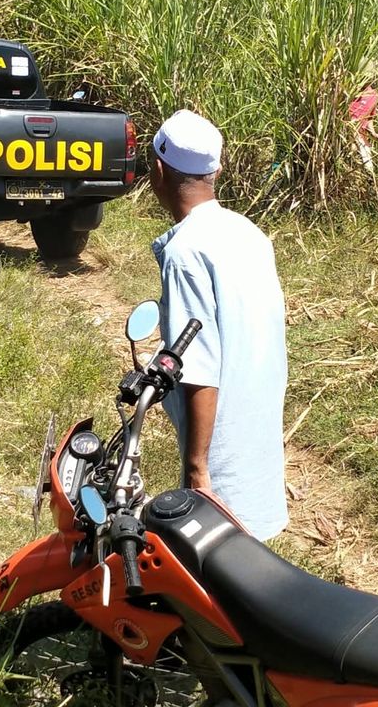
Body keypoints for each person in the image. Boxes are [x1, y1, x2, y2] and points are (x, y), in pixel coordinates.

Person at [149, 109, 288, 541]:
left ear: (158, 172)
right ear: (217, 171)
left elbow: (200, 367)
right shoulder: (248, 233)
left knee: (216, 555)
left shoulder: (185, 253)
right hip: (260, 426)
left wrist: (197, 468)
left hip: (221, 448)